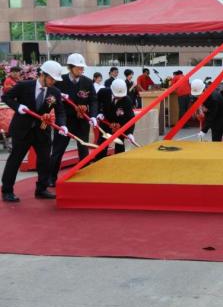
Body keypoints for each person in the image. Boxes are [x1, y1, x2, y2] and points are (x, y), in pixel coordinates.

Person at [2, 61, 67, 202]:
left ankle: (41, 189)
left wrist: (63, 125)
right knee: (15, 159)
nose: (53, 82)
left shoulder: (55, 92)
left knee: (45, 160)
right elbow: (6, 97)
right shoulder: (24, 85)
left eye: (55, 79)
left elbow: (60, 112)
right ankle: (7, 190)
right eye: (51, 78)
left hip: (42, 130)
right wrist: (17, 106)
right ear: (43, 75)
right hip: (22, 129)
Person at [49, 53, 98, 187]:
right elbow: (51, 98)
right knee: (58, 150)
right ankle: (51, 178)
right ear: (70, 67)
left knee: (83, 149)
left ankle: (84, 176)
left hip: (82, 121)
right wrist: (58, 96)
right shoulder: (60, 81)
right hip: (64, 121)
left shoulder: (87, 82)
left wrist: (93, 115)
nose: (81, 70)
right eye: (78, 68)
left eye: (82, 68)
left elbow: (93, 100)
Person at [96, 79, 136, 159]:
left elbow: (130, 117)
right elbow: (95, 102)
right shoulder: (103, 92)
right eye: (117, 95)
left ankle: (119, 162)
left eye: (121, 96)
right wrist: (99, 112)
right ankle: (99, 161)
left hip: (119, 125)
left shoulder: (127, 100)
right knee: (102, 144)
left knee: (120, 144)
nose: (119, 97)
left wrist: (130, 133)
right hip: (105, 122)